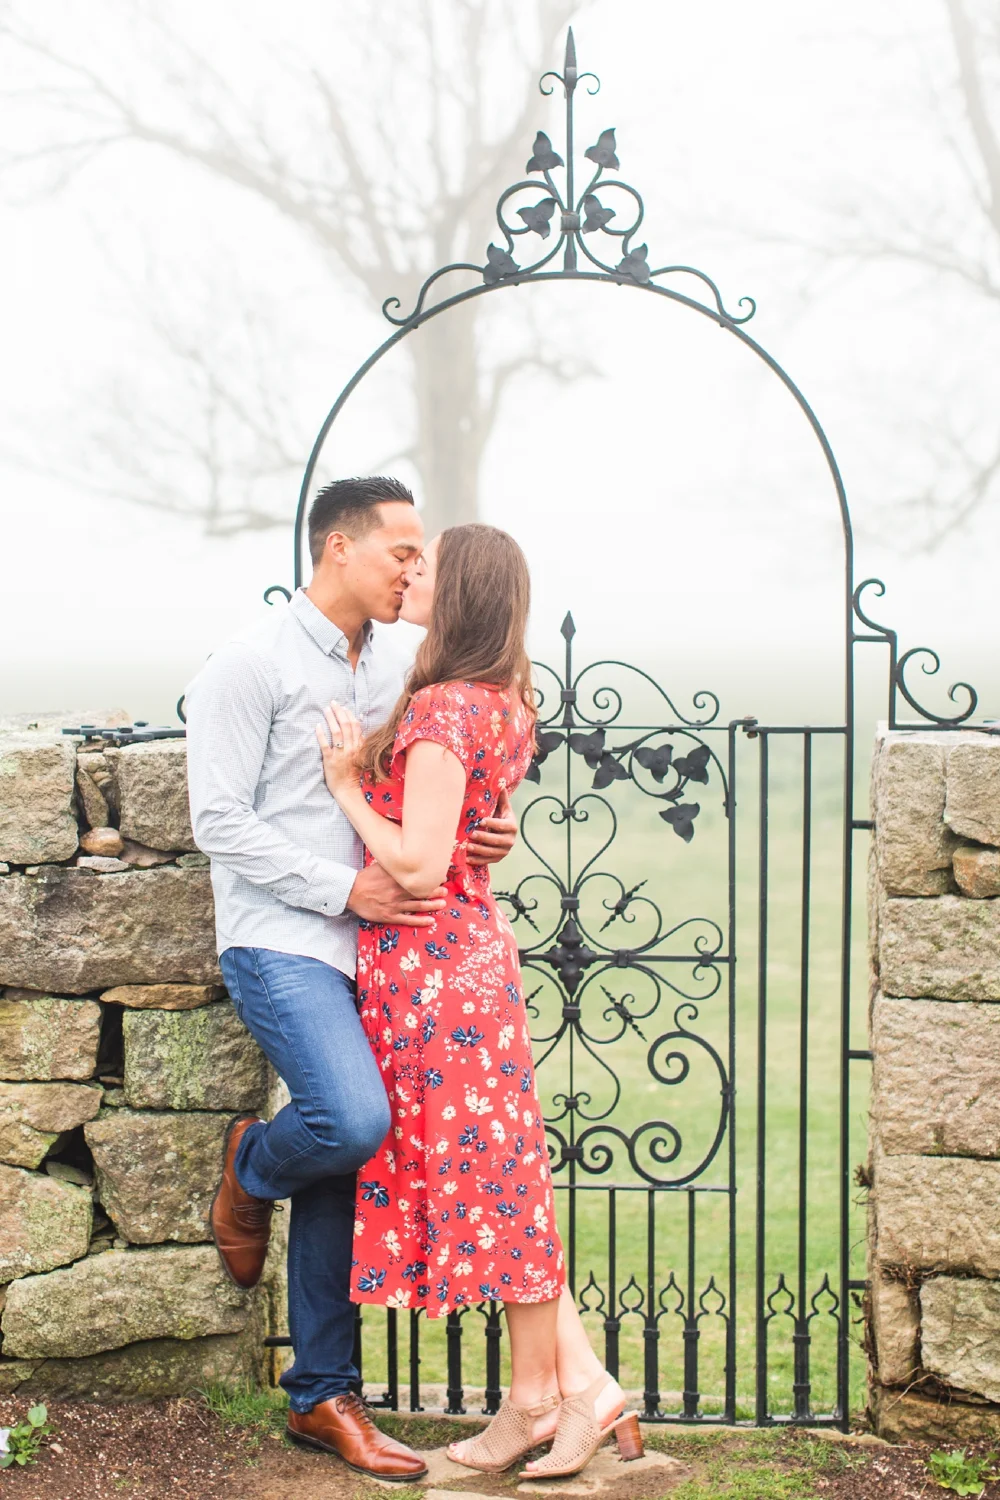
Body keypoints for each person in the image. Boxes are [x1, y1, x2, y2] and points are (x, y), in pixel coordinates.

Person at [184, 478, 518, 1483]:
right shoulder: (250, 664)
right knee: (350, 1121)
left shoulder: (401, 666)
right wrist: (343, 890)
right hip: (284, 939)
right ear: (339, 546)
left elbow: (431, 783)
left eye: (422, 558)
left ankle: (321, 1396)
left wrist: (483, 828)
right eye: (401, 552)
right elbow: (218, 821)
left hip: (381, 955)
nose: (416, 571)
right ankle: (251, 1168)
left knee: (343, 1160)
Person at [315, 524, 643, 1480]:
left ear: (459, 592)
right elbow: (463, 829)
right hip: (469, 962)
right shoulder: (505, 701)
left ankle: (550, 1398)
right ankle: (561, 1394)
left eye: (427, 566)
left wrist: (346, 785)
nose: (411, 573)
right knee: (501, 1183)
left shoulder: (443, 708)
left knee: (493, 1186)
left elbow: (417, 865)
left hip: (433, 972)